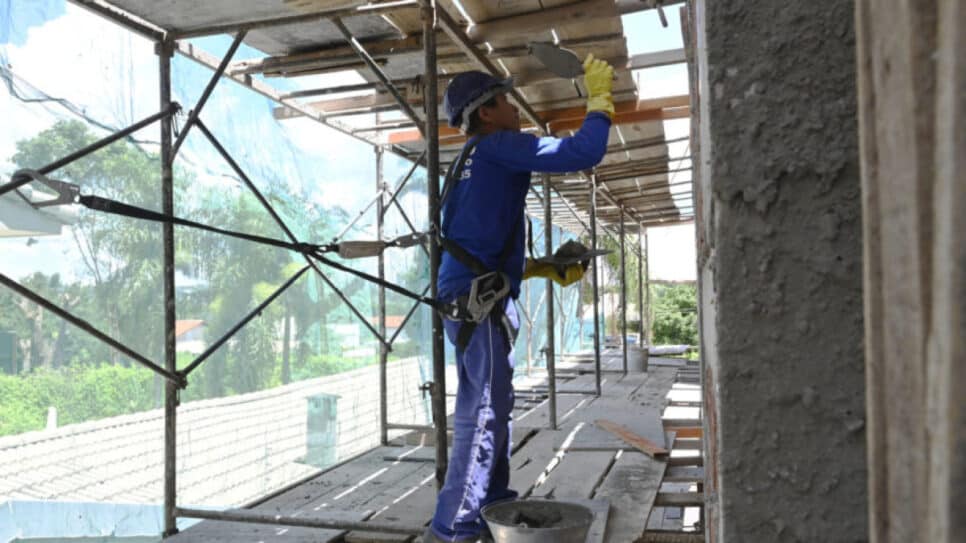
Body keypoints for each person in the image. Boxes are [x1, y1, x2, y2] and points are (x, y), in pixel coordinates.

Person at [425, 54, 615, 543]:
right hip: (477, 301)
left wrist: (537, 267)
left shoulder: (466, 162)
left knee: (494, 405)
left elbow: (472, 242)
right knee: (484, 413)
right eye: (506, 100)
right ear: (486, 112)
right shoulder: (497, 146)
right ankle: (453, 531)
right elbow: (583, 152)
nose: (515, 108)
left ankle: (493, 509)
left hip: (468, 294)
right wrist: (600, 100)